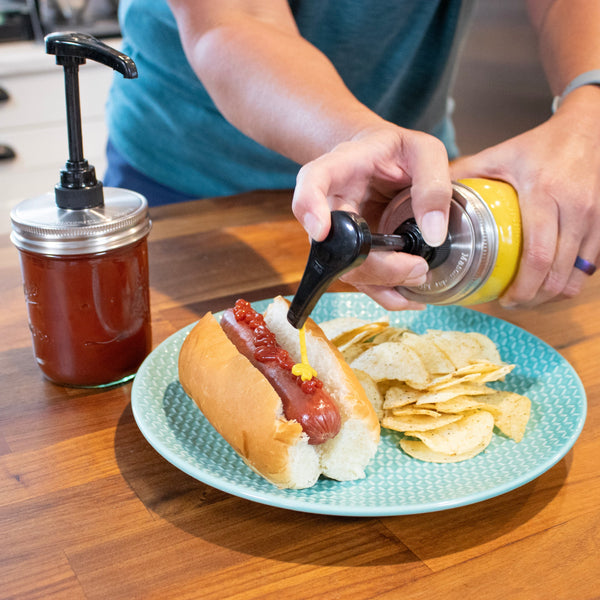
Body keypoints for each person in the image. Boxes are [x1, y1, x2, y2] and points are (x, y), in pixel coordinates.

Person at [104, 0, 600, 311]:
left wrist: (588, 107)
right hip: (195, 183)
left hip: (408, 183)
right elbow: (234, 18)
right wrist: (361, 138)